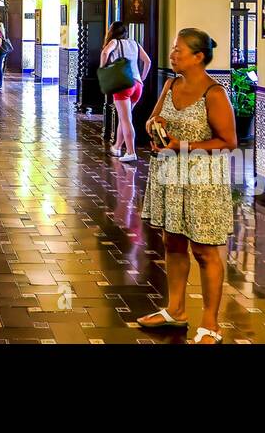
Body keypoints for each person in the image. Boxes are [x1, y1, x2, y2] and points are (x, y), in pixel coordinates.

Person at [137, 28, 238, 345]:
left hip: (202, 180)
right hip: (170, 176)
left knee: (205, 251)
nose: (173, 54)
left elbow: (228, 142)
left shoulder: (215, 94)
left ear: (198, 57)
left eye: (179, 50)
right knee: (173, 243)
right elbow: (151, 120)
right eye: (173, 49)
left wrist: (183, 145)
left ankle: (211, 324)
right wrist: (157, 128)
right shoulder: (169, 85)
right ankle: (176, 309)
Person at [100, 21, 153, 163]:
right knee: (125, 118)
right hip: (137, 85)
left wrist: (102, 67)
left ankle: (131, 152)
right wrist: (142, 78)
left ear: (112, 32)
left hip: (122, 84)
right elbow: (147, 61)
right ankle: (117, 146)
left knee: (126, 120)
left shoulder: (114, 43)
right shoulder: (134, 43)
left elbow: (105, 52)